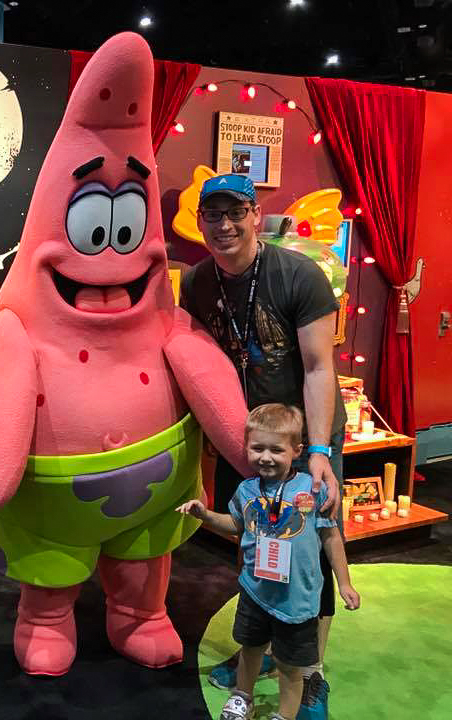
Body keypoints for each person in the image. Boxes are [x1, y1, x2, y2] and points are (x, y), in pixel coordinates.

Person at [180, 173, 348, 719]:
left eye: (235, 213)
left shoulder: (299, 275)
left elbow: (321, 368)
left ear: (256, 215)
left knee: (311, 552)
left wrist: (318, 452)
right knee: (255, 540)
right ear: (202, 220)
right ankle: (266, 648)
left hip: (304, 438)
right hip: (244, 442)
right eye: (213, 215)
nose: (224, 225)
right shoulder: (199, 282)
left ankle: (312, 671)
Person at [177, 404, 359, 720]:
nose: (266, 457)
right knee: (250, 649)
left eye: (276, 449)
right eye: (257, 447)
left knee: (290, 665)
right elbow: (234, 525)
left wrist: (344, 583)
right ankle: (242, 697)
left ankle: (285, 714)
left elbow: (331, 538)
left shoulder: (312, 489)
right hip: (255, 591)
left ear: (296, 450)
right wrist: (204, 514)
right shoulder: (246, 490)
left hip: (298, 599)